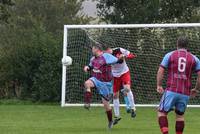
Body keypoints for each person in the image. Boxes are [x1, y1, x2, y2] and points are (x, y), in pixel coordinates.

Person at [156, 36, 200, 134]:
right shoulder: (194, 58)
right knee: (180, 115)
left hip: (172, 89)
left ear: (177, 44)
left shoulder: (170, 55)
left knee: (161, 112)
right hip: (185, 92)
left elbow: (161, 71)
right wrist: (196, 89)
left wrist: (159, 85)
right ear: (187, 46)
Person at [83, 43, 123, 129]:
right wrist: (87, 68)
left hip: (106, 84)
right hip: (96, 79)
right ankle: (87, 103)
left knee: (107, 106)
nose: (92, 50)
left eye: (93, 49)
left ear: (97, 49)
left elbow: (119, 61)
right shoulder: (93, 59)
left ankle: (110, 121)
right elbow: (90, 66)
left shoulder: (106, 56)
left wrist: (121, 58)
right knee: (87, 83)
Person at [105, 47, 137, 125]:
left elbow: (132, 55)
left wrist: (124, 56)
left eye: (107, 51)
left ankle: (133, 108)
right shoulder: (105, 56)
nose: (106, 53)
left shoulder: (119, 50)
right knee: (115, 95)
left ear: (109, 49)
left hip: (124, 73)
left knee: (127, 88)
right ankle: (117, 116)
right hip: (115, 76)